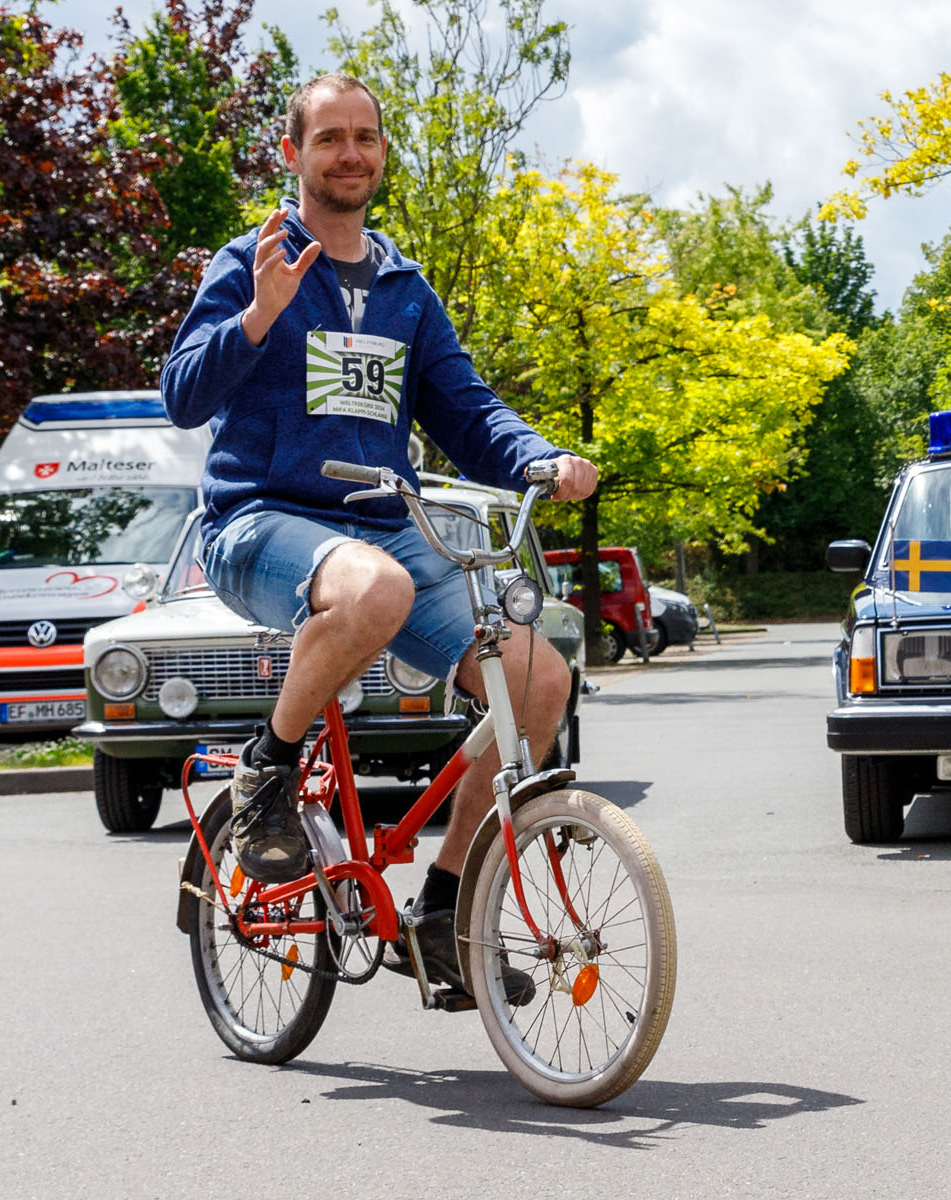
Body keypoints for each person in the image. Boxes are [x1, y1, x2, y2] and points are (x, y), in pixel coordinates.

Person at [160, 73, 597, 1001]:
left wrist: (541, 458)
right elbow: (183, 395)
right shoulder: (250, 260)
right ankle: (268, 772)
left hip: (381, 531)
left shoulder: (405, 289)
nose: (349, 154)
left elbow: (467, 409)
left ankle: (443, 908)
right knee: (374, 590)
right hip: (259, 522)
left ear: (382, 153)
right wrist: (257, 317)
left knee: (539, 681)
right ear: (294, 153)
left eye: (364, 137)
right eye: (329, 138)